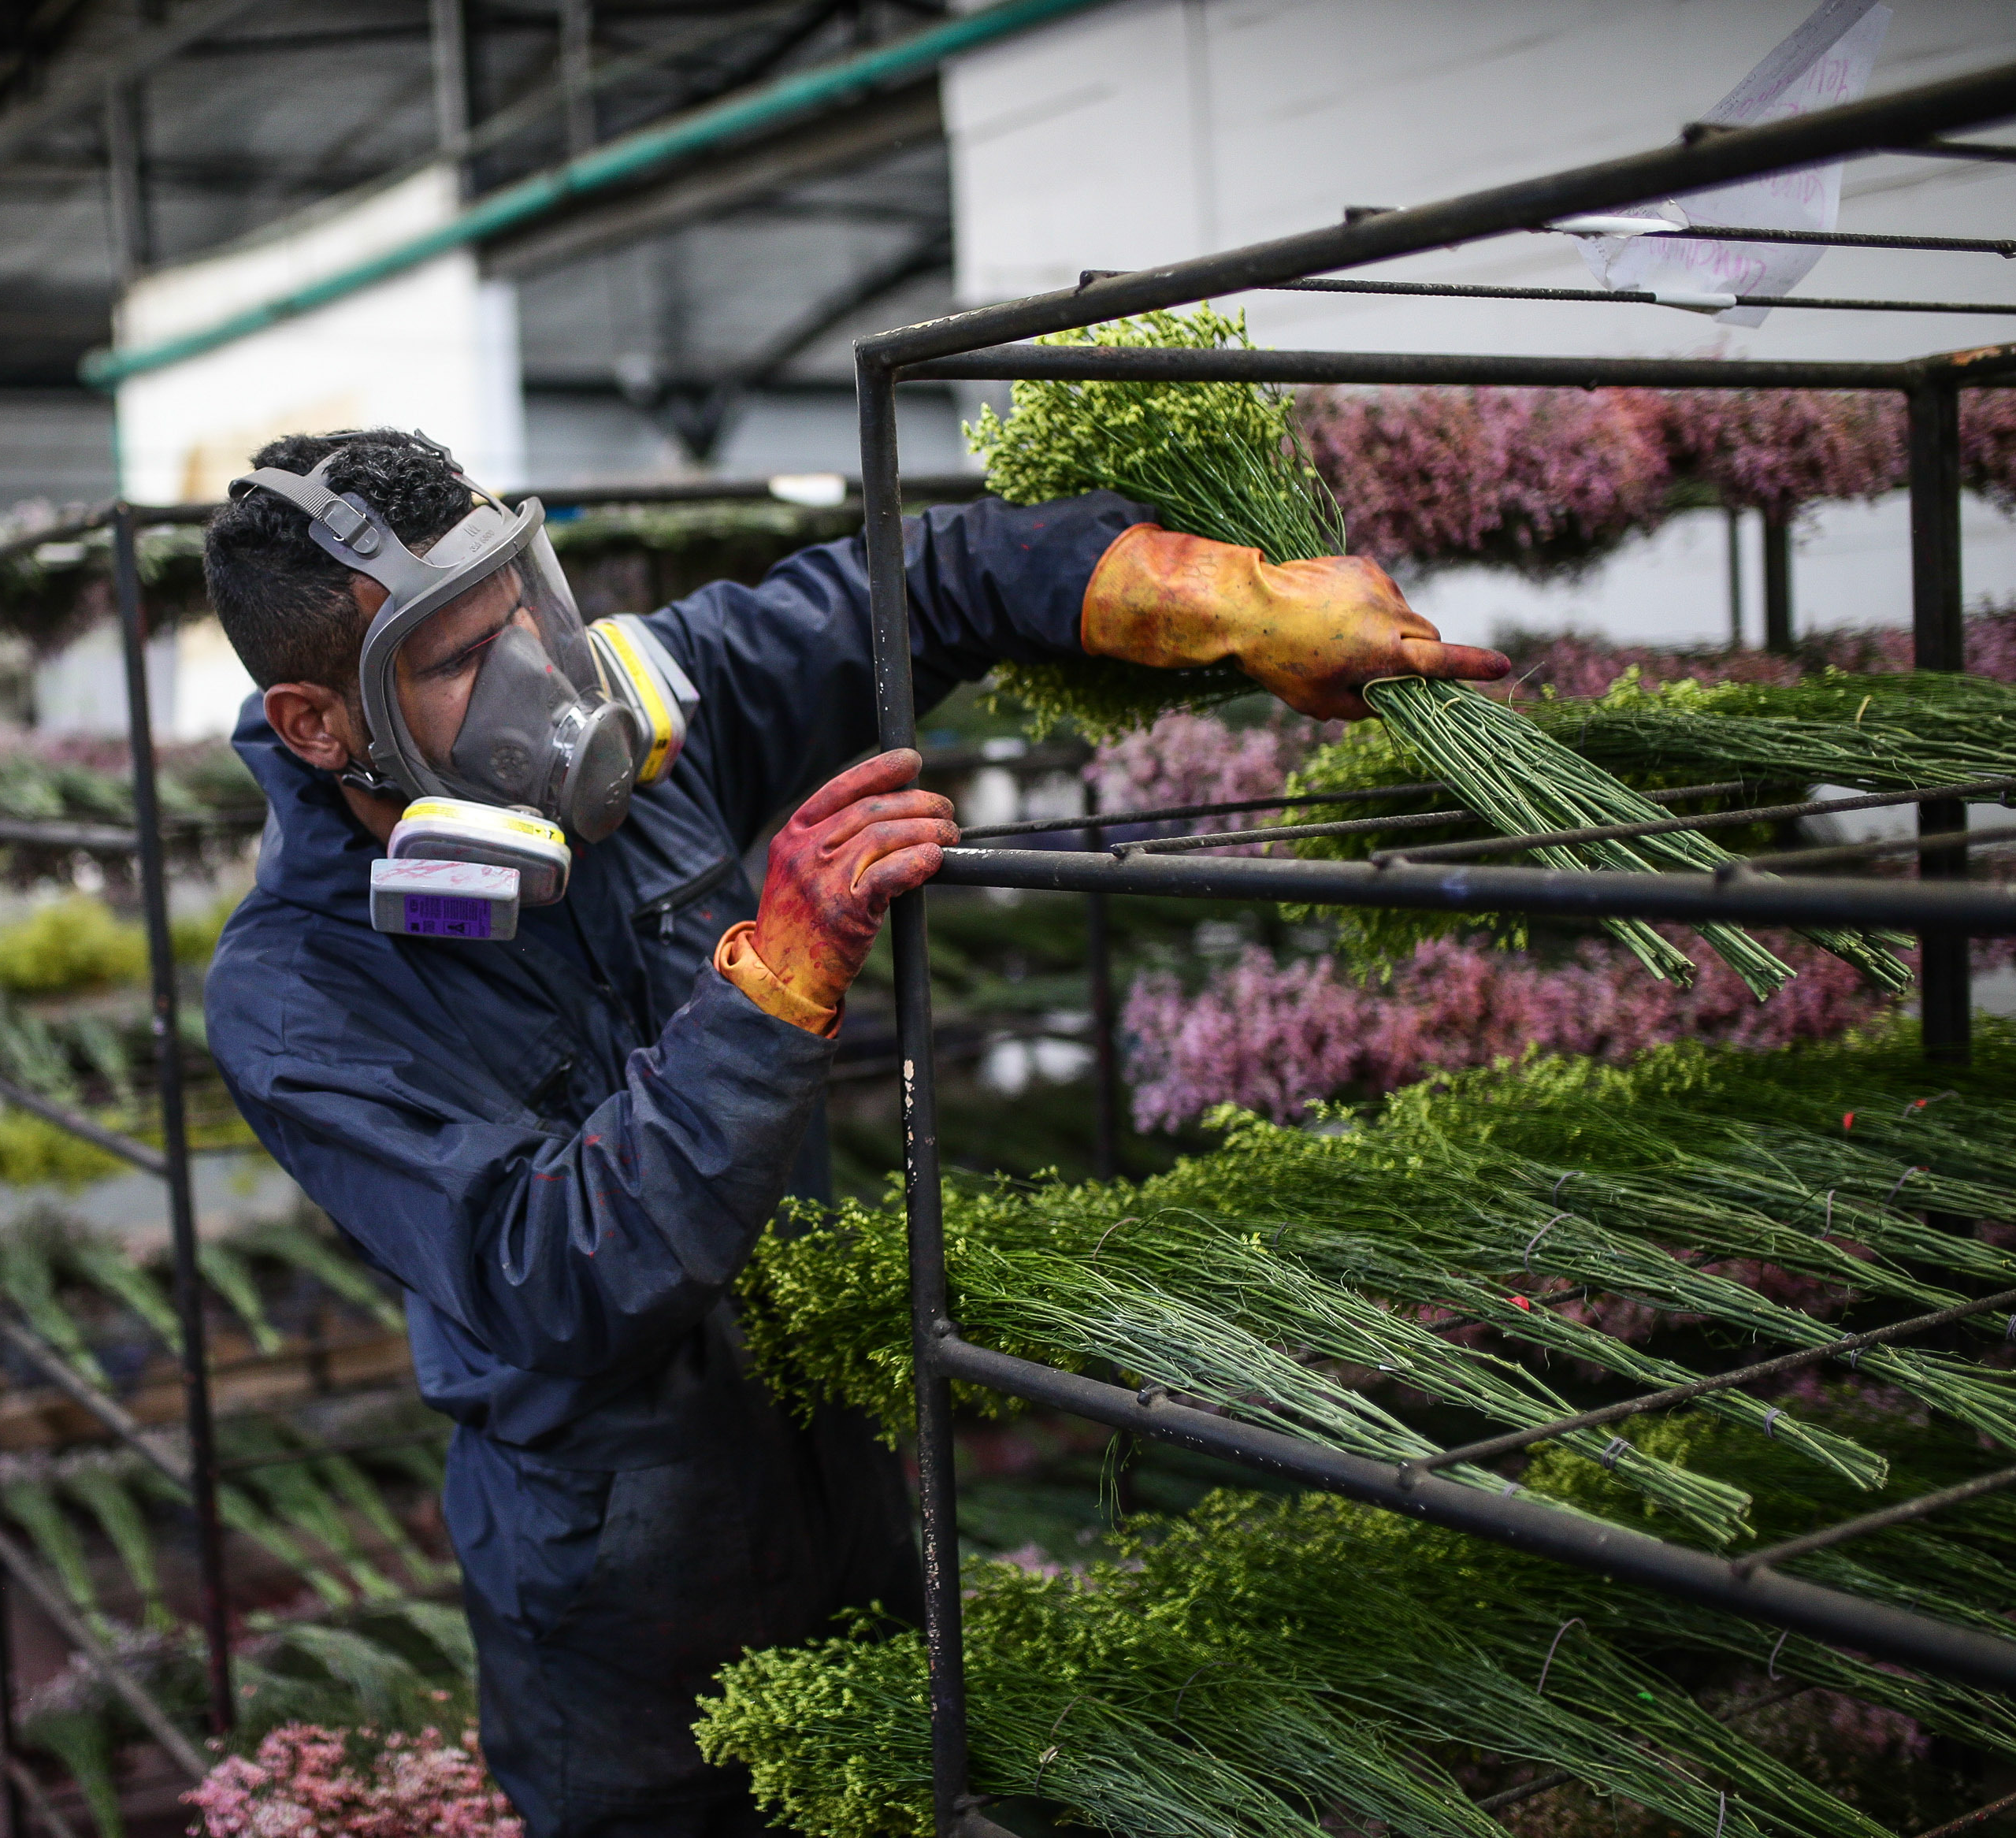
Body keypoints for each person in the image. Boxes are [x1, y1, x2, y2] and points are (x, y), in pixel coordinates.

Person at [197, 429, 1505, 1836]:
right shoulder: (298, 990)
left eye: (524, 610)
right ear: (319, 724)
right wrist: (775, 984)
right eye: (459, 664)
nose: (539, 679)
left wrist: (1226, 600)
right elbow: (552, 1273)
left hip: (845, 1474)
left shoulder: (643, 732)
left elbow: (925, 583)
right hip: (622, 1600)